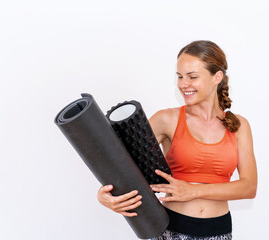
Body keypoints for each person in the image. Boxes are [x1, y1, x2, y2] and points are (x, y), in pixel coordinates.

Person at [97, 40, 258, 239]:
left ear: (217, 77)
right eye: (180, 77)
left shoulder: (239, 126)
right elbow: (119, 163)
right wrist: (105, 195)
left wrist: (193, 191)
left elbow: (249, 187)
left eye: (192, 77)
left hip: (220, 231)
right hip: (171, 229)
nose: (183, 84)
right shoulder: (167, 119)